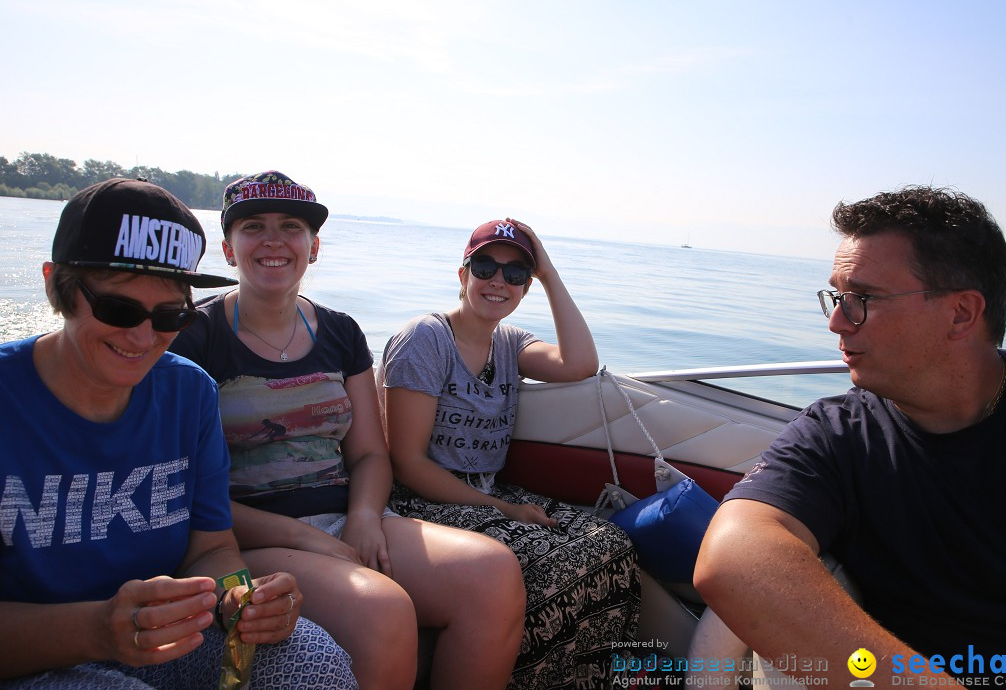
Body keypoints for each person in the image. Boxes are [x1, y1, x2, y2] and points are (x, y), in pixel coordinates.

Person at [694, 186, 1006, 684]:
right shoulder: (837, 437)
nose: (837, 321)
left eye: (862, 299)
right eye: (836, 297)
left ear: (961, 312)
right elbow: (734, 559)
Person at [169, 171, 525, 690]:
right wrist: (304, 537)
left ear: (313, 248)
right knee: (380, 608)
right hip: (243, 536)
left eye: (290, 226)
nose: (273, 239)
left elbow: (369, 456)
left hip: (341, 516)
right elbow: (182, 490)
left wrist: (362, 517)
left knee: (493, 572)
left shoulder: (340, 331)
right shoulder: (194, 337)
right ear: (227, 249)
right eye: (253, 226)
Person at [0, 178, 356, 689]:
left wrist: (240, 597)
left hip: (165, 639)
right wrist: (97, 630)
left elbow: (211, 548)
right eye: (118, 309)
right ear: (55, 284)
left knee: (314, 661)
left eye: (171, 315)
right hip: (36, 655)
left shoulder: (189, 391)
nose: (143, 338)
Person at [378, 218, 641, 690]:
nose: (499, 281)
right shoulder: (425, 339)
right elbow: (408, 463)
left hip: (488, 494)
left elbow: (580, 363)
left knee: (611, 544)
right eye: (485, 267)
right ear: (463, 276)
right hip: (423, 504)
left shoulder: (511, 342)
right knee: (547, 563)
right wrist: (505, 509)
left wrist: (549, 272)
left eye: (516, 274)